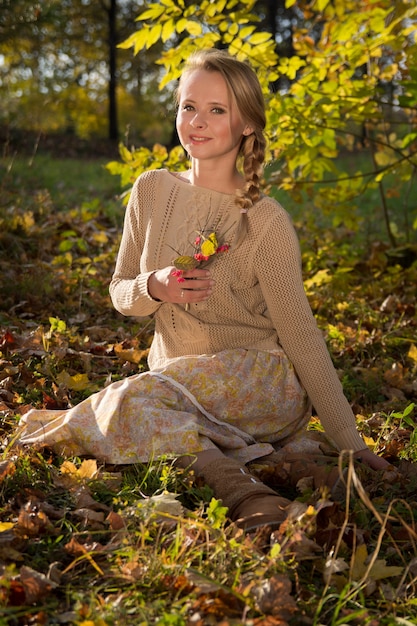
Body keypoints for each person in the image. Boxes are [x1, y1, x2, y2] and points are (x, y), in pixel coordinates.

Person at [19, 48, 389, 531]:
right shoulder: (150, 190)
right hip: (176, 380)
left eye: (217, 110)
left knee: (137, 403)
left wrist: (350, 439)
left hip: (259, 380)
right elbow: (119, 293)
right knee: (147, 402)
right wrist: (154, 287)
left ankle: (244, 496)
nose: (198, 121)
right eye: (188, 106)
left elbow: (301, 334)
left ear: (247, 126)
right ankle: (260, 461)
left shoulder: (265, 222)